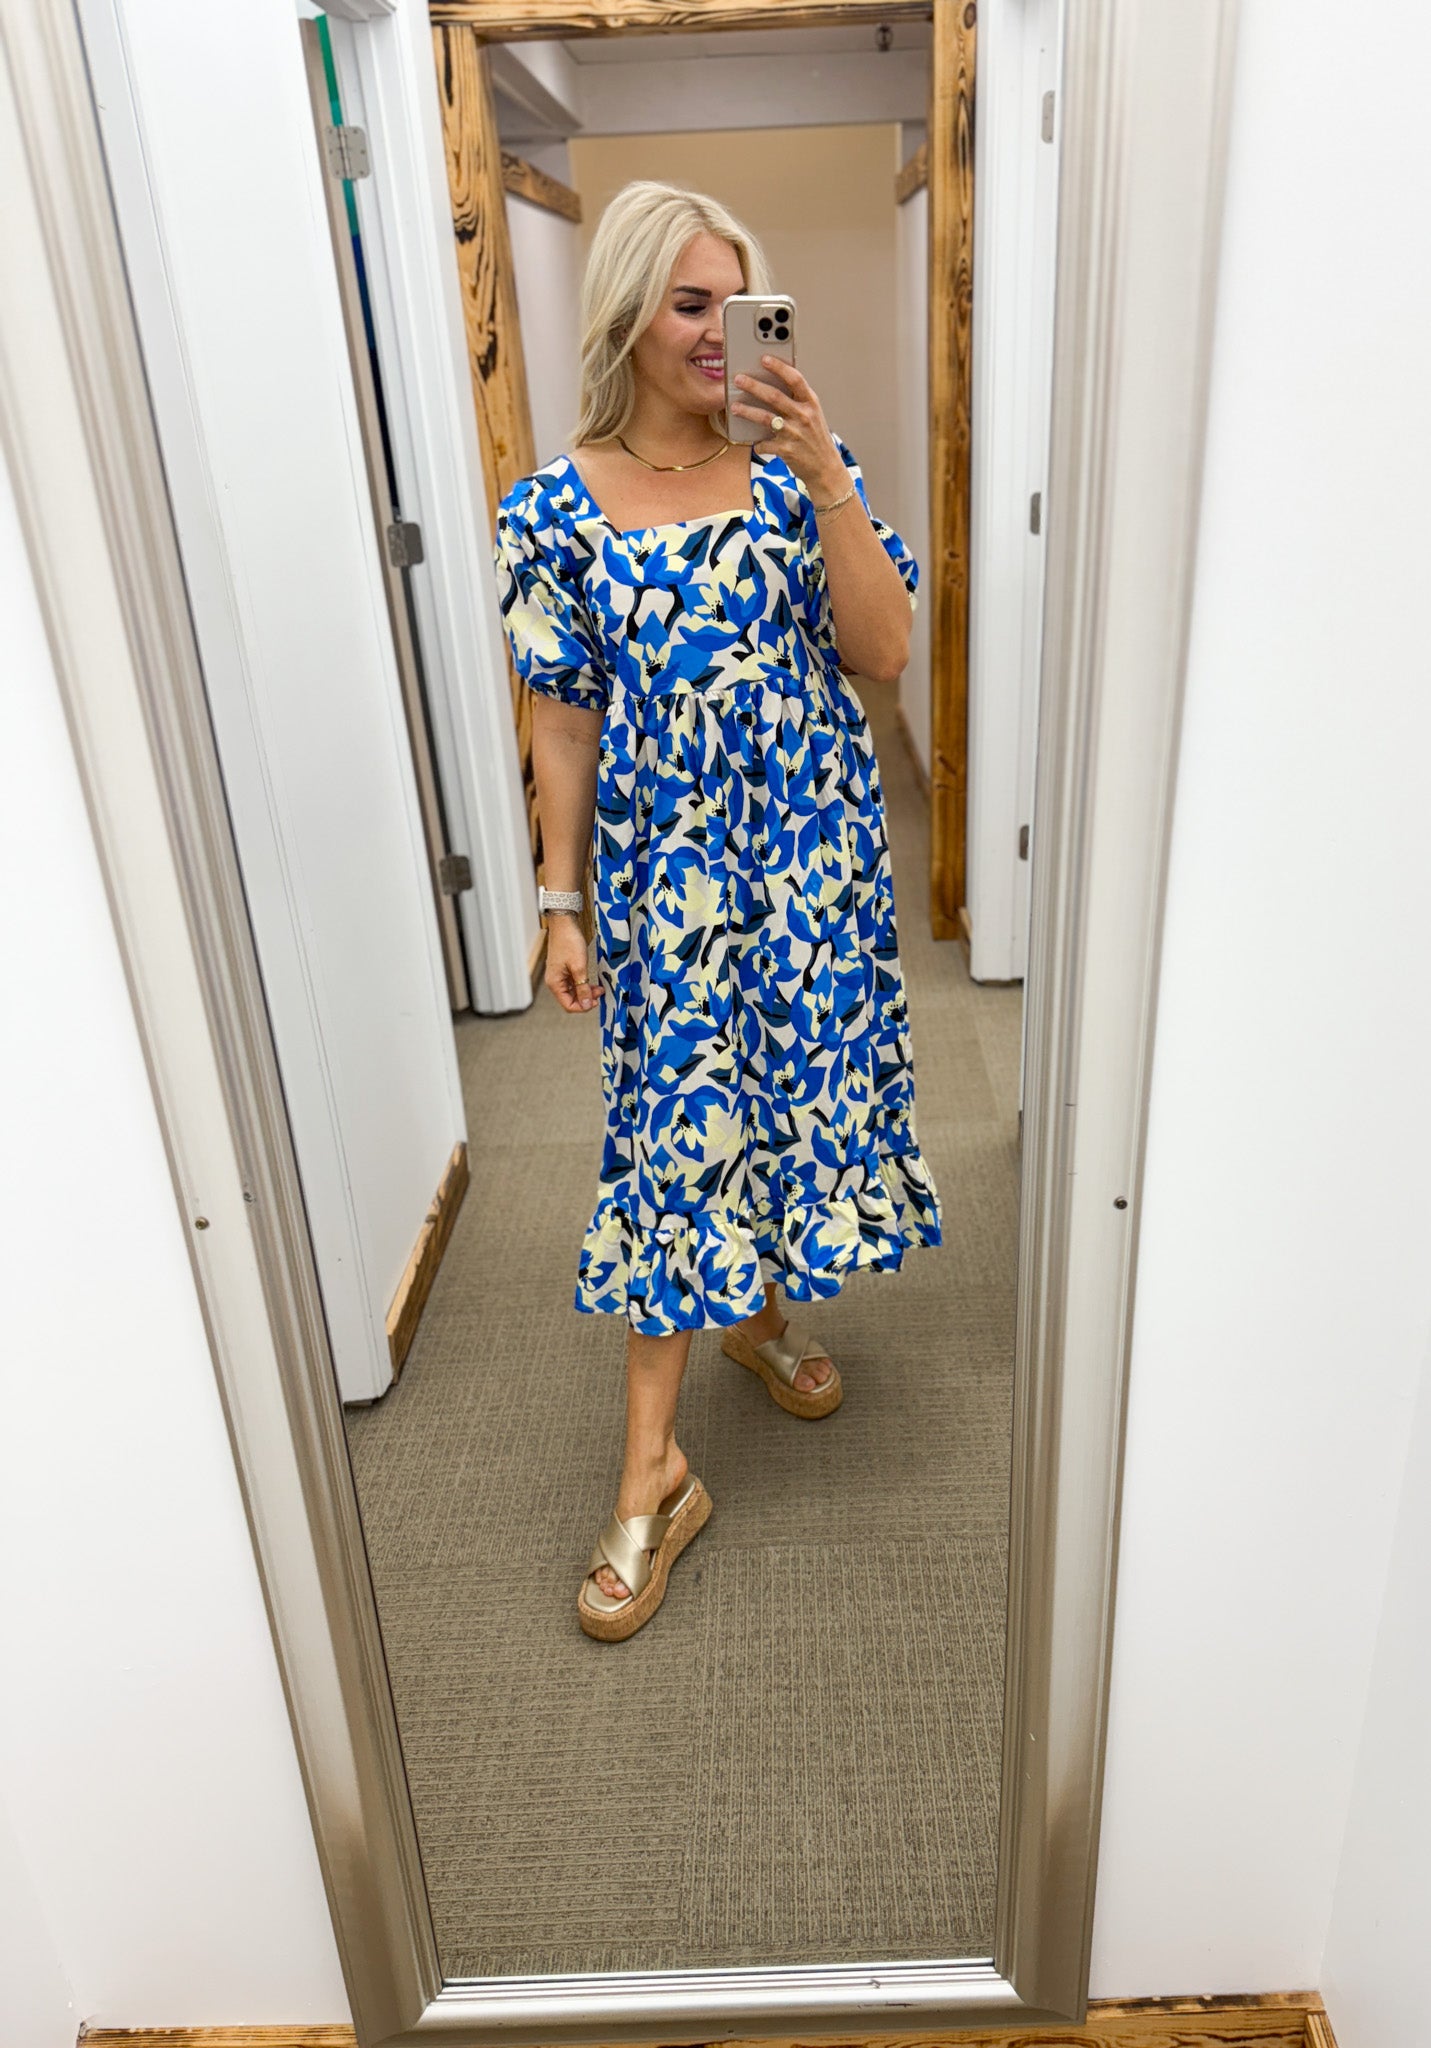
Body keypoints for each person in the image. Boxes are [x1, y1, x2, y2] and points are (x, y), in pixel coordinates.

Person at [492, 179, 941, 1642]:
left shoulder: (799, 469)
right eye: (689, 303)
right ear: (627, 310)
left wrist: (823, 476)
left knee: (791, 1097)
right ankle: (653, 1476)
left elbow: (884, 651)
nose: (715, 333)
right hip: (667, 881)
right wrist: (560, 899)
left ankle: (757, 1318)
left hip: (810, 863)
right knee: (674, 1138)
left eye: (735, 304)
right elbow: (563, 718)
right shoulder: (550, 511)